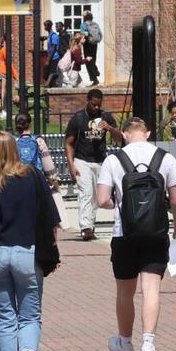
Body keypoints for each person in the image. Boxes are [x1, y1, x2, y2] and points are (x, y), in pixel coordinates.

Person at [95, 117, 176, 351]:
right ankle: (148, 344)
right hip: (156, 234)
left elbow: (102, 199)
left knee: (125, 291)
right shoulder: (165, 158)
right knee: (151, 289)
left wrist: (121, 206)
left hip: (123, 234)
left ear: (124, 134)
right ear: (147, 133)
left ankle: (125, 342)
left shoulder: (113, 160)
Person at [0, 132, 62, 351]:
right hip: (27, 252)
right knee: (29, 315)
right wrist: (52, 250)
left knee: (5, 318)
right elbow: (50, 216)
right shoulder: (32, 176)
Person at [66, 88, 121, 241]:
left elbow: (118, 138)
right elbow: (69, 143)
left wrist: (109, 128)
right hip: (82, 160)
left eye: (98, 105)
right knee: (86, 193)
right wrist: (71, 166)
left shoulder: (106, 116)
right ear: (88, 101)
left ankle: (91, 224)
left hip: (100, 160)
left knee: (98, 197)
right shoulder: (78, 118)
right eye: (93, 104)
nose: (96, 107)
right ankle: (86, 228)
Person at [13, 113, 58, 187]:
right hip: (36, 180)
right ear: (30, 124)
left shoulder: (12, 141)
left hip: (17, 180)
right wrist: (53, 181)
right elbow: (48, 164)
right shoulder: (38, 141)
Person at [80, 11, 102, 86]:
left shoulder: (84, 24)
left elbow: (85, 33)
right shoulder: (95, 24)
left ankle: (94, 79)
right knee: (93, 59)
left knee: (88, 61)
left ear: (85, 17)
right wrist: (97, 40)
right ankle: (95, 72)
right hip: (95, 44)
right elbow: (100, 34)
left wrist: (83, 39)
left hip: (87, 44)